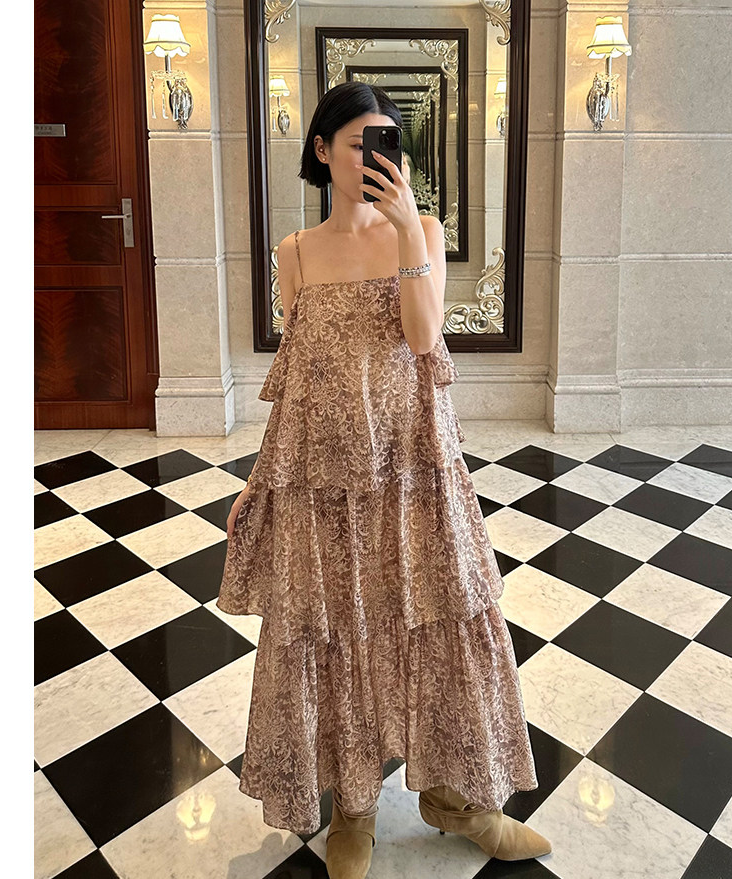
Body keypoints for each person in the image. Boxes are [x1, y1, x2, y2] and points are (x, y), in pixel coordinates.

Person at [216, 81, 551, 879]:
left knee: (443, 621)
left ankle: (458, 800)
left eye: (387, 142)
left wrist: (405, 231)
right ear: (322, 150)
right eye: (357, 142)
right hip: (326, 482)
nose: (374, 158)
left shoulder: (422, 229)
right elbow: (296, 383)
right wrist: (260, 482)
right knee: (341, 631)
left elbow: (423, 336)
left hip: (414, 469)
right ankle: (355, 809)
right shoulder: (296, 252)